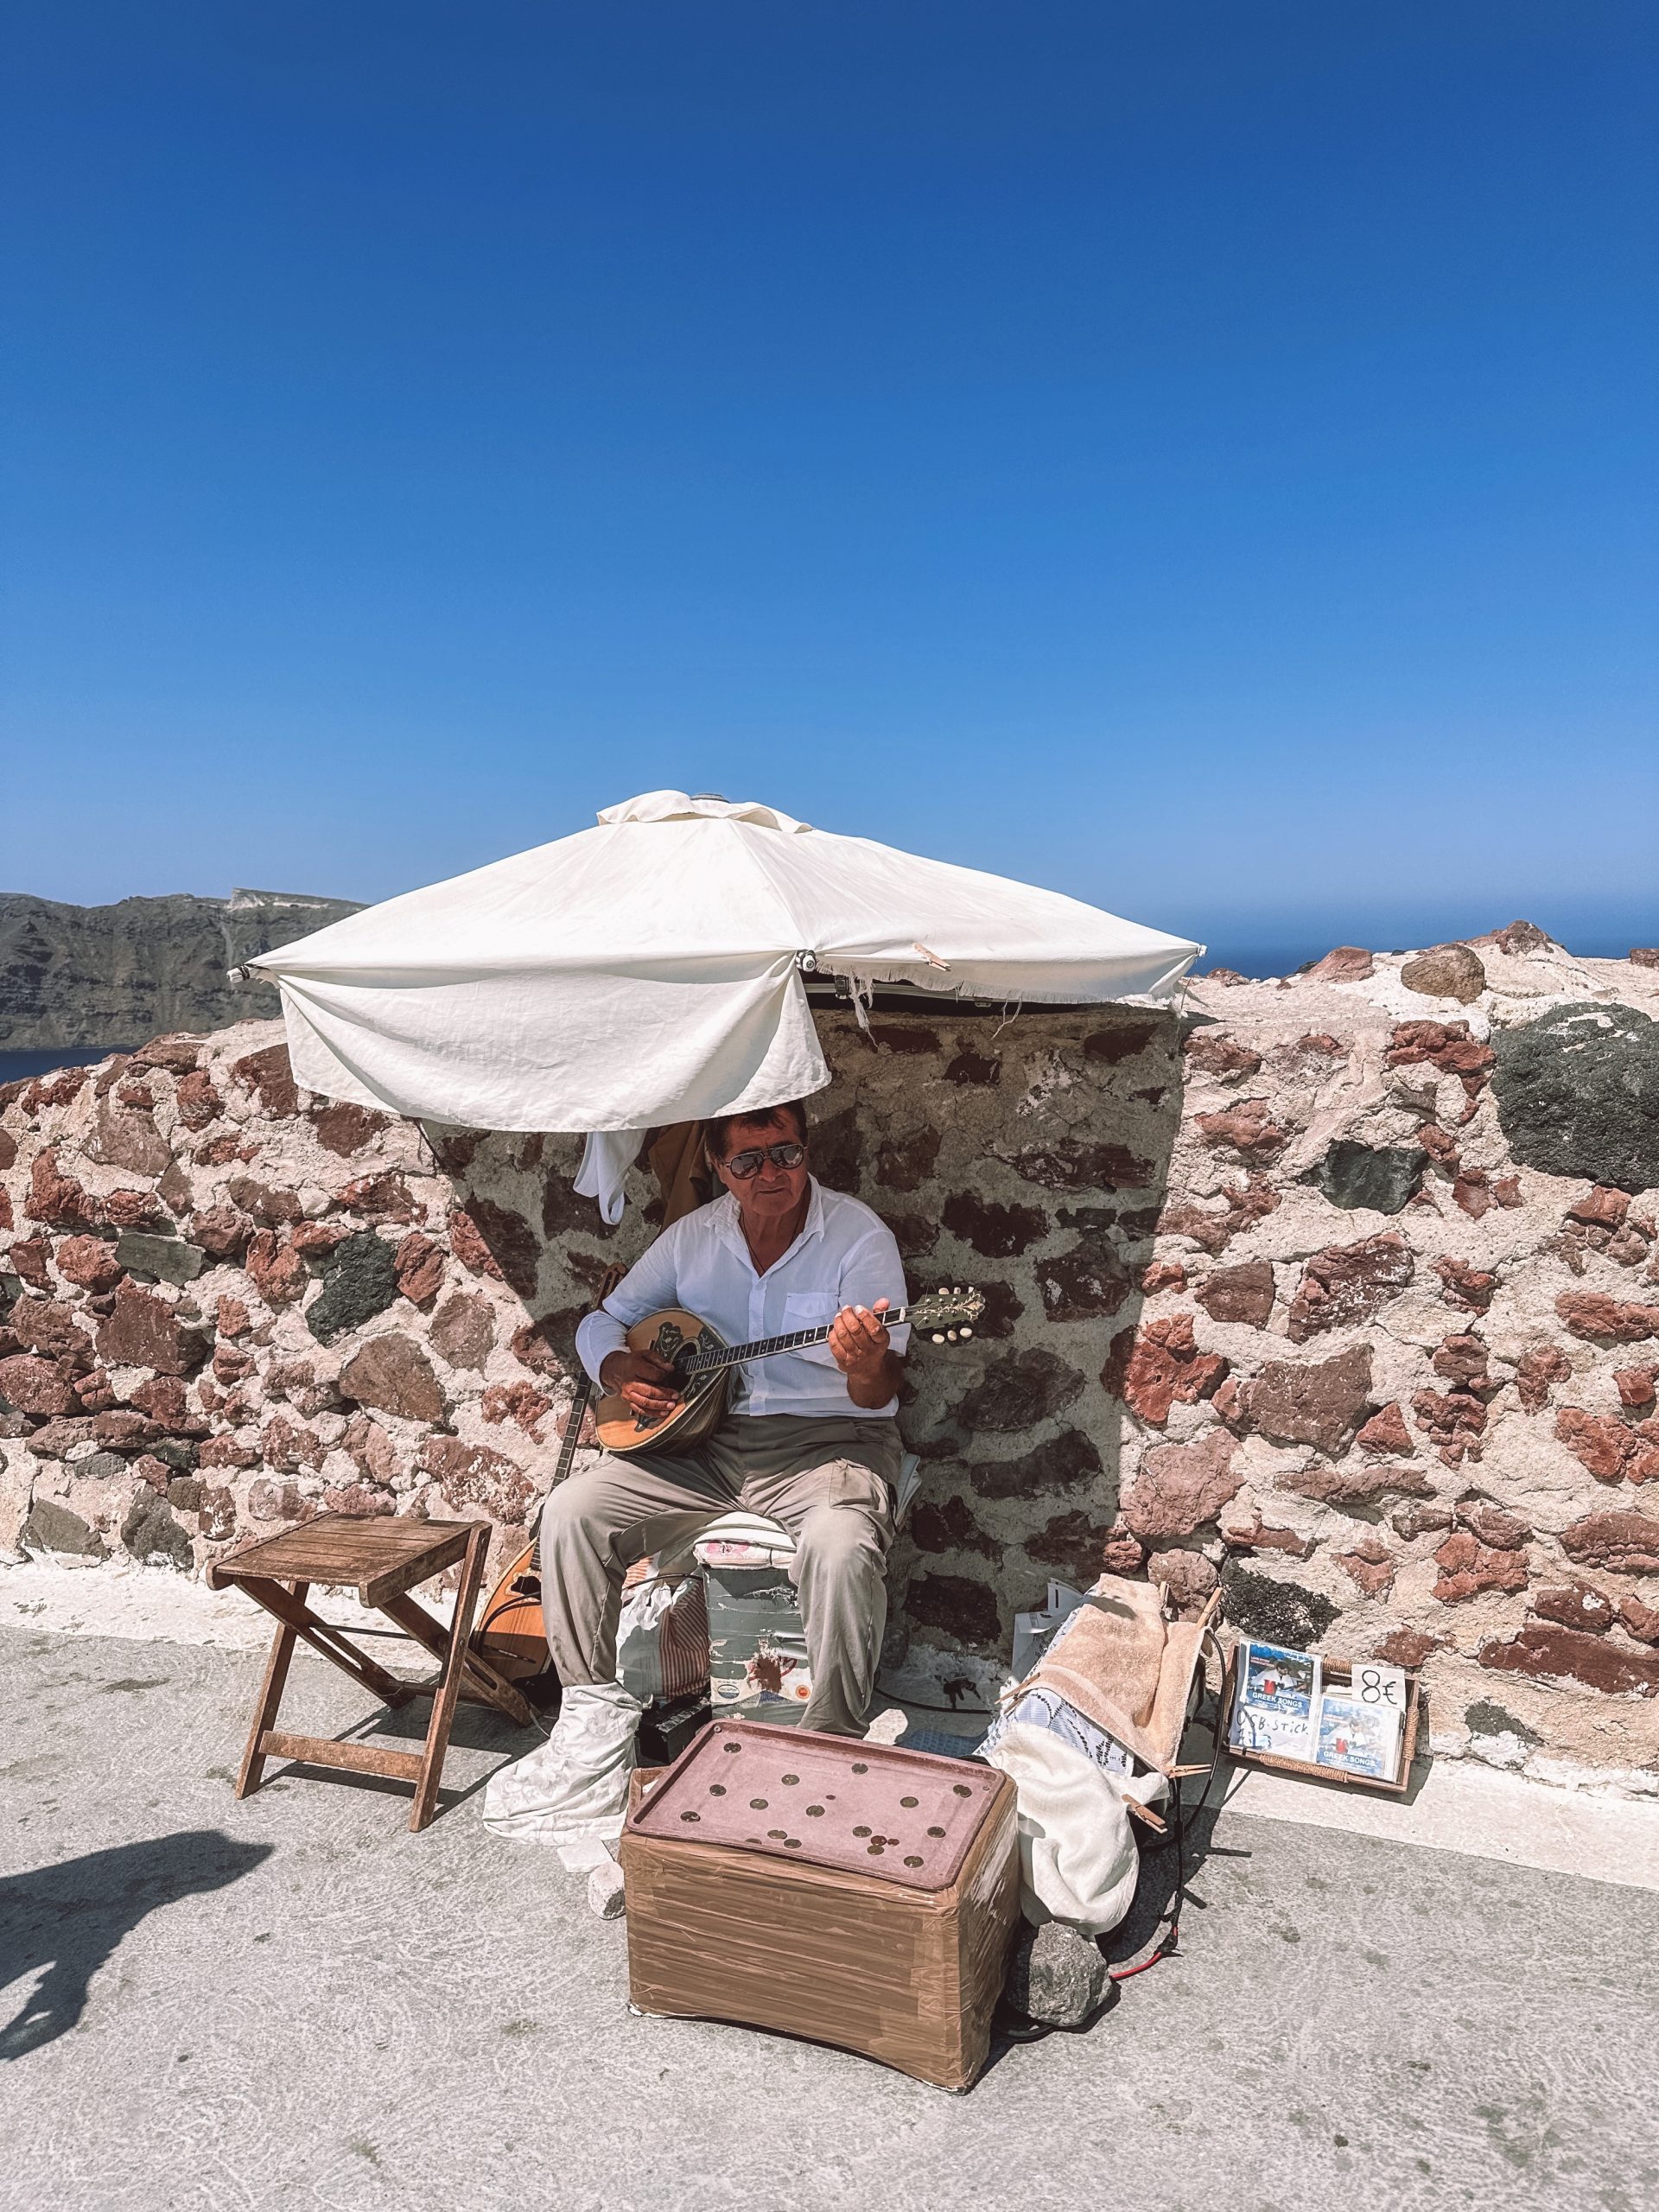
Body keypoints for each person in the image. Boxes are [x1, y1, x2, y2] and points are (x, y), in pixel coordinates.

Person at [482, 1098, 909, 1849]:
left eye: (786, 1154)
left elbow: (879, 1395)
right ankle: (591, 1717)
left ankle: (831, 1740)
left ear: (806, 1151)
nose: (771, 1173)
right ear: (717, 1167)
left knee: (842, 1546)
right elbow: (601, 1322)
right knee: (574, 1509)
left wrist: (867, 1361)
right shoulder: (692, 1239)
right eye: (747, 1161)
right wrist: (617, 1364)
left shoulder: (856, 1235)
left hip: (830, 1446)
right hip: (707, 1446)